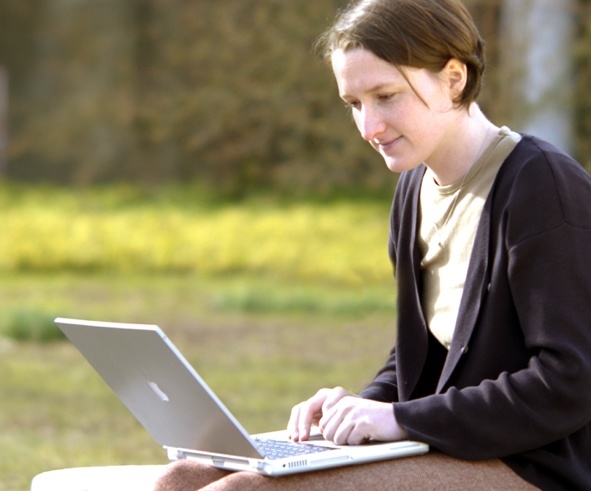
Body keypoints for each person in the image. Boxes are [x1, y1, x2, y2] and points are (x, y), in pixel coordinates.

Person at [155, 0, 591, 489]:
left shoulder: (542, 187)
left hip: (532, 466)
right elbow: (427, 354)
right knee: (181, 477)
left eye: (386, 96)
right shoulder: (413, 189)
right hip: (446, 446)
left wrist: (401, 420)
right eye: (355, 104)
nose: (369, 127)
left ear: (453, 78)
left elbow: (570, 382)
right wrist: (360, 408)